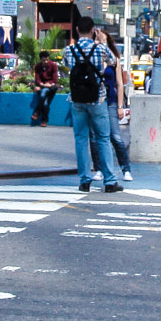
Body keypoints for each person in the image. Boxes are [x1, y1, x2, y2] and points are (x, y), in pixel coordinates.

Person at [60, 16, 121, 192]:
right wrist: (102, 42)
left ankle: (85, 180)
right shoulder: (100, 49)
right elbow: (114, 62)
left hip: (77, 99)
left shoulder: (68, 50)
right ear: (93, 30)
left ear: (77, 30)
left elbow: (66, 65)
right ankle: (109, 181)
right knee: (102, 138)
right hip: (98, 98)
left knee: (80, 139)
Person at [95, 28, 134, 180]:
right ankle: (99, 169)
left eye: (102, 40)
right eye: (97, 41)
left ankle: (126, 169)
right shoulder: (93, 58)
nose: (99, 43)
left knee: (115, 136)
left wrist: (120, 106)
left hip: (110, 101)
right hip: (96, 101)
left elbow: (119, 84)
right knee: (95, 137)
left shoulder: (114, 59)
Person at [30, 47, 60, 126]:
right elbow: (37, 79)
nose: (46, 61)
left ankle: (36, 113)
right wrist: (42, 85)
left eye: (47, 59)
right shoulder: (37, 67)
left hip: (52, 86)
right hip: (43, 86)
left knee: (43, 92)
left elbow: (55, 79)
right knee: (45, 103)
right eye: (44, 60)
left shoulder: (53, 65)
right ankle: (44, 121)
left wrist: (46, 85)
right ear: (40, 59)